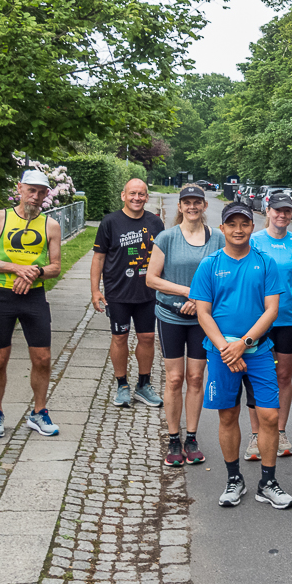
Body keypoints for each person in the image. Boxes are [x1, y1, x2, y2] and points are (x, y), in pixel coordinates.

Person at [189, 201, 292, 510]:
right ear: (222, 228)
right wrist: (225, 347)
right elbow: (203, 312)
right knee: (228, 415)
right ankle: (234, 479)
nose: (238, 229)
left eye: (244, 224)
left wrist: (244, 343)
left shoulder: (265, 263)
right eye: (231, 224)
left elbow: (272, 310)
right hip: (221, 354)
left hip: (258, 351)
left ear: (252, 226)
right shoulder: (209, 264)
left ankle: (268, 482)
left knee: (270, 416)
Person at [0, 170, 64, 440]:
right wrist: (16, 269)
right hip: (2, 294)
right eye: (31, 190)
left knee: (43, 358)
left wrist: (34, 272)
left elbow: (56, 267)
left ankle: (39, 412)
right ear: (20, 188)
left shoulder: (51, 225)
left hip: (34, 296)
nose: (35, 196)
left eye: (41, 192)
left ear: (47, 194)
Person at [145, 184, 224, 467]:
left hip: (203, 319)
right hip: (171, 317)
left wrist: (201, 299)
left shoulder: (217, 239)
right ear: (179, 207)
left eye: (197, 202)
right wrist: (186, 291)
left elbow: (223, 277)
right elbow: (152, 279)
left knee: (195, 377)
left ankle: (192, 437)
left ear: (204, 206)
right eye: (187, 202)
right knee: (175, 378)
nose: (192, 207)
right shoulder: (166, 238)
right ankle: (173, 438)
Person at [91, 178, 165, 409]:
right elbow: (99, 258)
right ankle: (122, 385)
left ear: (146, 197)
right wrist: (95, 290)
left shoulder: (155, 223)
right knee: (120, 338)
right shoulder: (110, 222)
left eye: (141, 194)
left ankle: (144, 385)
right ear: (123, 195)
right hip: (118, 293)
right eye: (132, 193)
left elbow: (163, 257)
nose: (137, 198)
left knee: (147, 338)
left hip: (148, 294)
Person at [249, 191, 292, 460]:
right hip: (258, 320)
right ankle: (257, 434)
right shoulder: (254, 241)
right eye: (277, 210)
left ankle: (280, 431)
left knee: (283, 376)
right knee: (257, 376)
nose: (282, 215)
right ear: (267, 211)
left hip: (289, 319)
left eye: (287, 211)